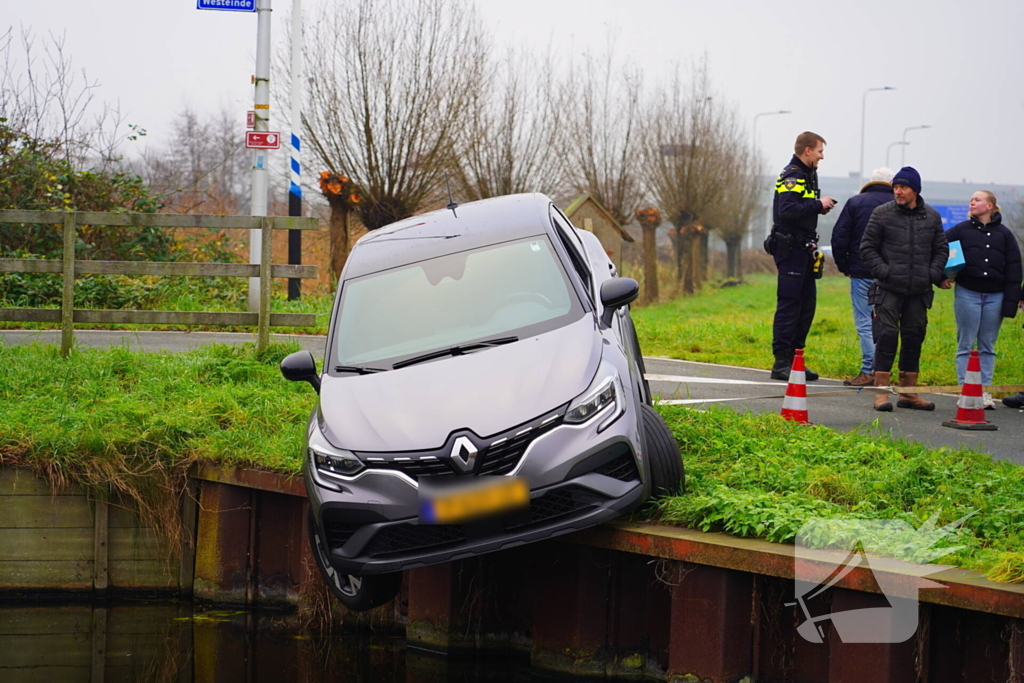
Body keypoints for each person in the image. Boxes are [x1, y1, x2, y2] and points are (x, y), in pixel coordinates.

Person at [860, 167, 949, 411]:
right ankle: (881, 393)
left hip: (919, 290)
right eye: (895, 187)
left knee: (914, 336)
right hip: (888, 288)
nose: (897, 191)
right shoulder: (882, 213)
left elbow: (941, 249)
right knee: (887, 337)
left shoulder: (931, 216)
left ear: (915, 190)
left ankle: (908, 394)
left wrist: (931, 274)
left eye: (903, 187)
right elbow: (867, 248)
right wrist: (885, 271)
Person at [766, 131, 836, 381]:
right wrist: (818, 205)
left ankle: (796, 360)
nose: (822, 156)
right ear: (807, 150)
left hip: (804, 249)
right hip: (791, 249)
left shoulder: (808, 173)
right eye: (819, 151)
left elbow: (800, 209)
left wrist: (817, 209)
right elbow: (786, 210)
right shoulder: (793, 175)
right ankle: (781, 362)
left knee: (806, 306)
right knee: (789, 305)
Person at [942, 191, 1022, 408]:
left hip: (996, 297)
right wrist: (942, 276)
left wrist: (1012, 300)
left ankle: (984, 393)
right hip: (968, 292)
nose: (972, 201)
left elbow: (1015, 268)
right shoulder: (960, 230)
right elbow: (940, 247)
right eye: (971, 199)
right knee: (965, 344)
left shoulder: (1005, 235)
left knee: (987, 346)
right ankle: (965, 391)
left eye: (977, 199)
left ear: (989, 206)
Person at [831, 167, 894, 387]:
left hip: (861, 271)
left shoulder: (856, 202)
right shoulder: (899, 203)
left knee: (865, 323)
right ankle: (885, 371)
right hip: (891, 274)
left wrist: (844, 265)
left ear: (871, 182)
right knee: (889, 323)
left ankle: (869, 370)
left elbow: (839, 236)